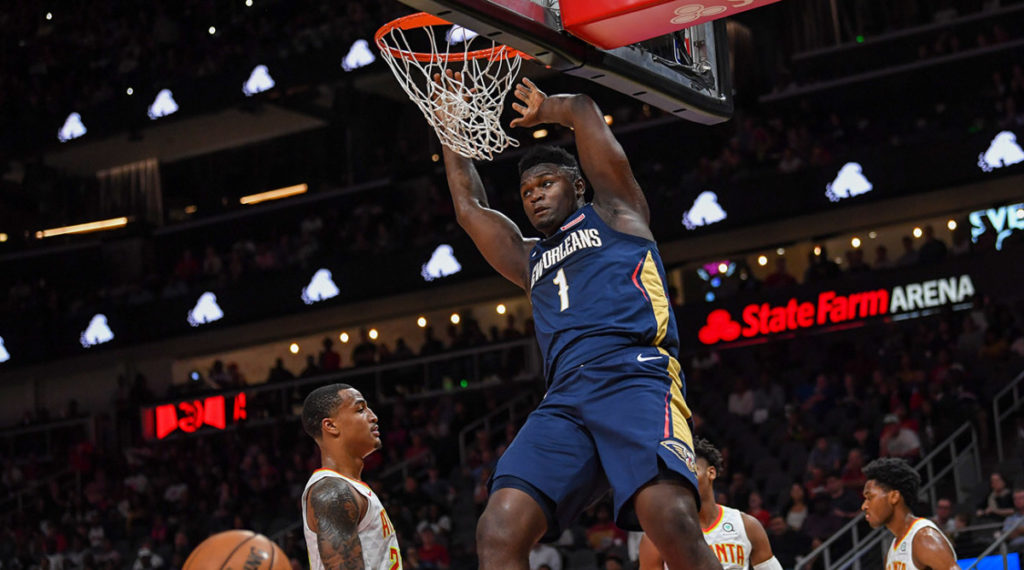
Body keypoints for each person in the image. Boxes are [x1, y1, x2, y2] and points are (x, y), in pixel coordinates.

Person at [437, 74, 719, 570]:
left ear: (578, 185)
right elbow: (470, 208)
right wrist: (450, 131)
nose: (535, 196)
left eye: (546, 183)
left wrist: (554, 109)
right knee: (499, 527)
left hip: (634, 375)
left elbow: (586, 109)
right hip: (565, 397)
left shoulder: (616, 213)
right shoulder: (527, 258)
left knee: (668, 516)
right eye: (526, 191)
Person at [638, 438, 779, 570]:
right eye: (677, 476)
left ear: (711, 473)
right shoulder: (656, 536)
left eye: (690, 471)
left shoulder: (746, 525)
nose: (684, 481)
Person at [300, 384, 401, 569]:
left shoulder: (349, 487)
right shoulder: (333, 492)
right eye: (360, 409)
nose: (373, 416)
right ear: (330, 425)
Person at [861, 457, 958, 570]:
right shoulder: (891, 554)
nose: (864, 506)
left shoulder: (924, 538)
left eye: (869, 497)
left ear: (894, 497)